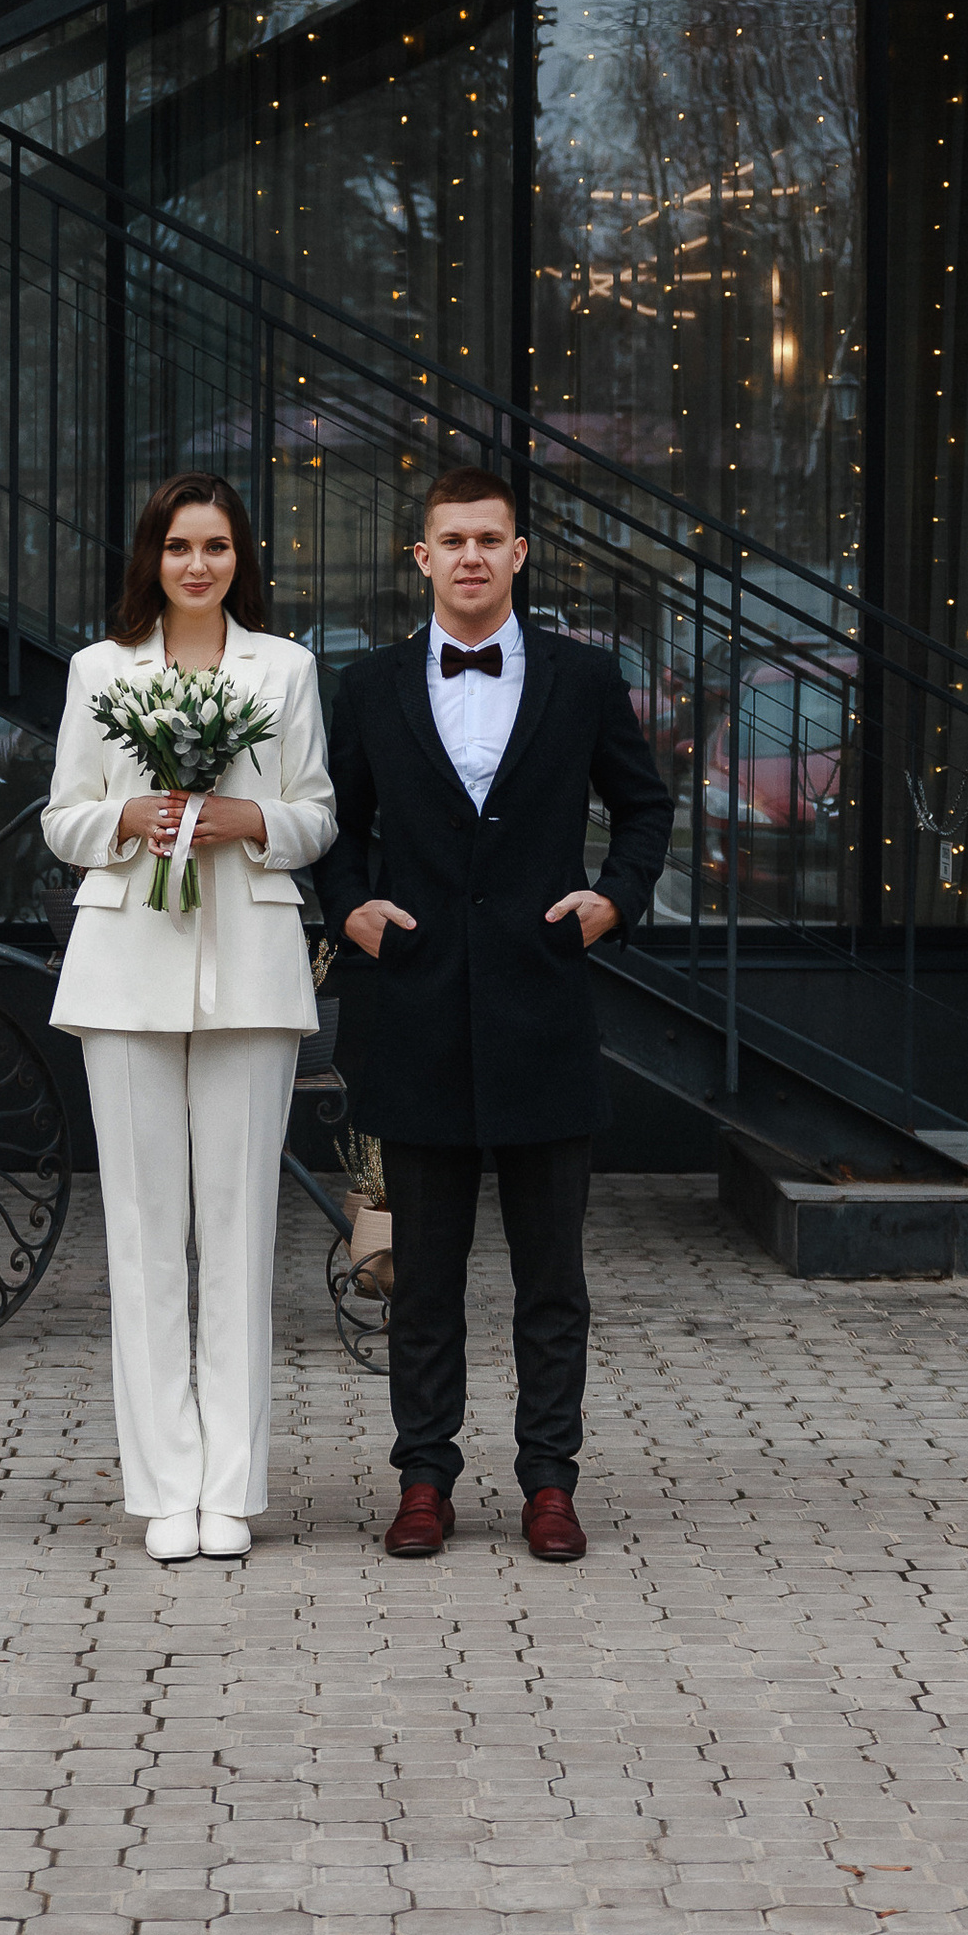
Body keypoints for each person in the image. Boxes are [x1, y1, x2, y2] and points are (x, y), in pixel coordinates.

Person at [316, 465, 672, 1565]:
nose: (470, 556)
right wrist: (348, 912)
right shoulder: (369, 685)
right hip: (416, 1009)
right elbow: (334, 822)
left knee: (550, 1280)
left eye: (489, 539)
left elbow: (646, 805)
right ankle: (424, 1478)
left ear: (519, 554)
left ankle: (548, 1484)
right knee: (420, 1278)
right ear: (420, 560)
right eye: (450, 540)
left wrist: (612, 901)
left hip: (540, 1009)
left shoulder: (582, 676)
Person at [43, 473, 334, 1566]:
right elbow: (62, 818)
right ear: (150, 558)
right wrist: (132, 813)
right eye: (178, 547)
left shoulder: (286, 667)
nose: (197, 565)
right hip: (125, 967)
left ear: (239, 558)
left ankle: (230, 1489)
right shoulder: (99, 670)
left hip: (252, 971)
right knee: (142, 1236)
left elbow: (316, 815)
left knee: (242, 1236)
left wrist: (244, 816)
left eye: (215, 546)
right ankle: (164, 1485)